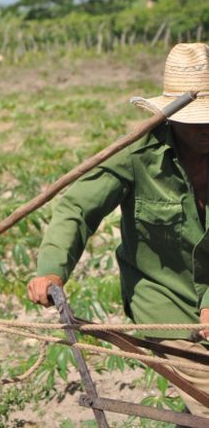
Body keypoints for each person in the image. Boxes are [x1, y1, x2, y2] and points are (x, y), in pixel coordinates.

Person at [27, 42, 209, 416]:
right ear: (171, 115)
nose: (206, 127)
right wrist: (52, 269)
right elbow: (78, 207)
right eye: (196, 118)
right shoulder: (135, 155)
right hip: (164, 299)